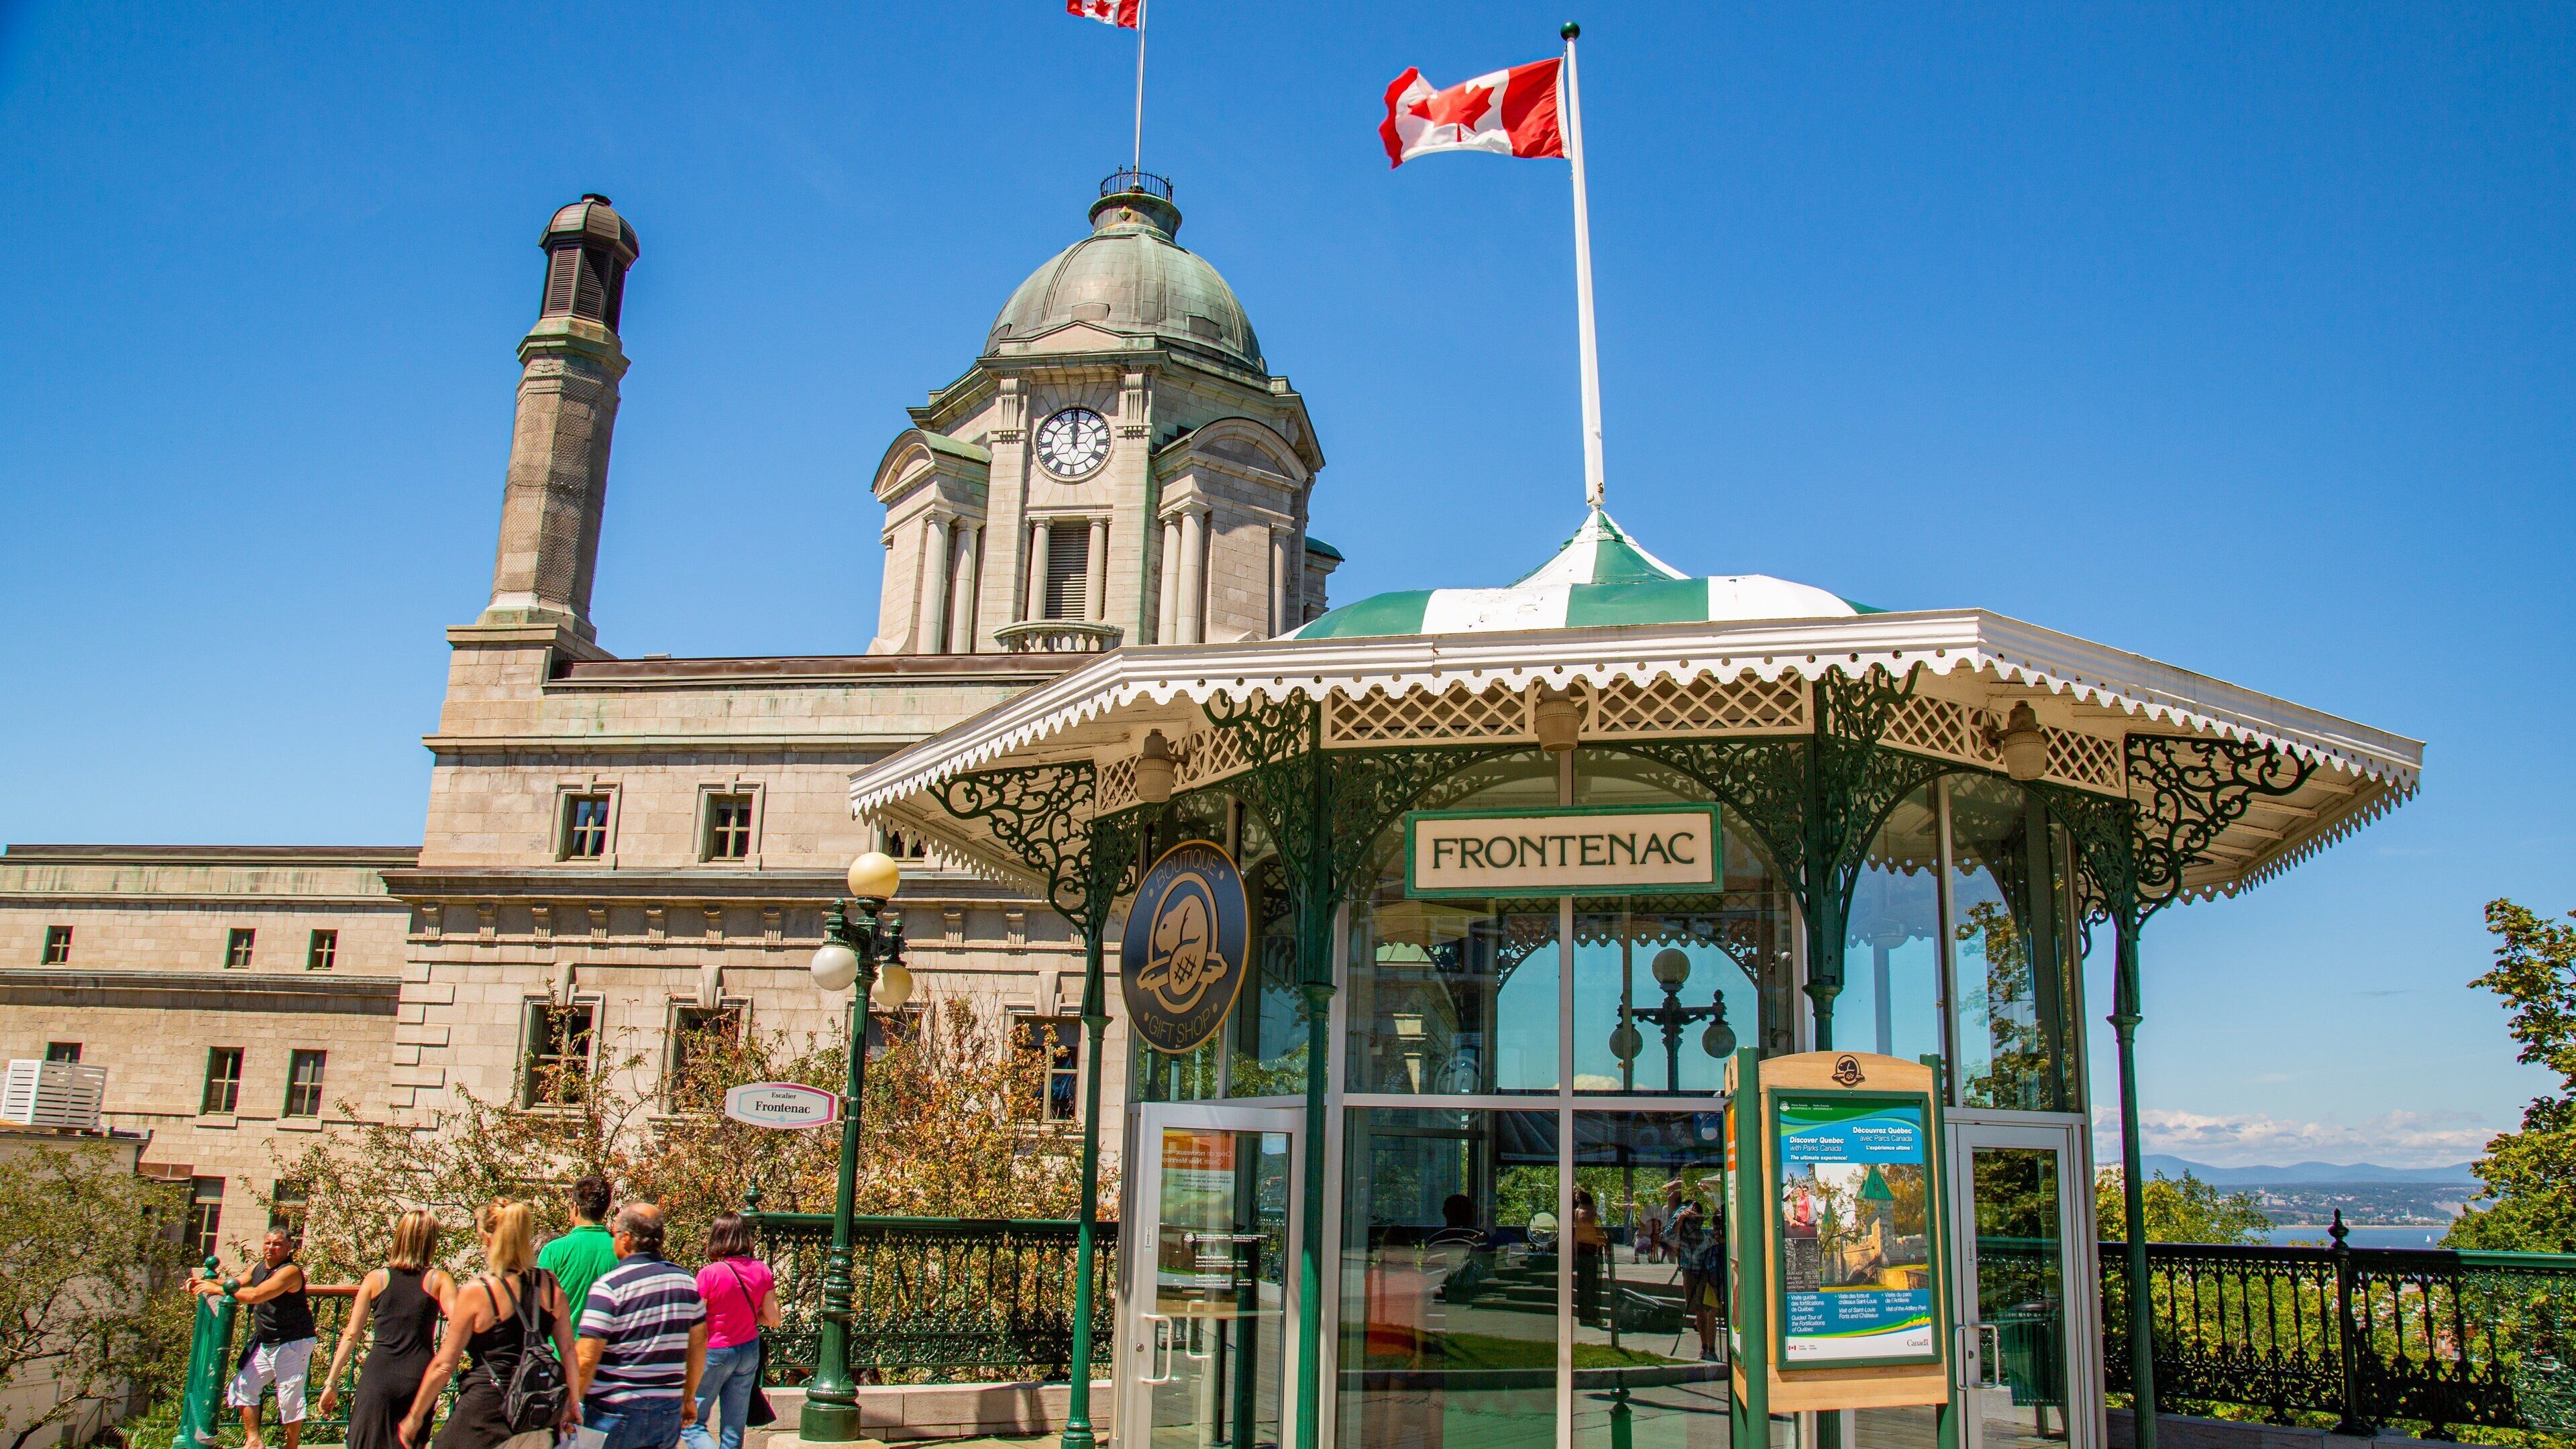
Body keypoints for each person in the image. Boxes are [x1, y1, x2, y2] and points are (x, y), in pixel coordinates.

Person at [399, 1200, 578, 1449]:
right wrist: (573, 1402)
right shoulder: (548, 1284)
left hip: (485, 1413)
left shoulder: (479, 1292)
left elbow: (444, 1365)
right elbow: (568, 1350)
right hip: (535, 1414)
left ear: (486, 1237)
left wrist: (415, 1417)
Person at [573, 1202, 707, 1449]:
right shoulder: (686, 1282)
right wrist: (689, 1397)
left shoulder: (610, 1287)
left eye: (613, 1234)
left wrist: (570, 1403)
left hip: (614, 1410)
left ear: (626, 1238)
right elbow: (699, 1343)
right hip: (667, 1408)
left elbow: (587, 1357)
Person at [318, 1212, 455, 1449]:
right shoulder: (439, 1280)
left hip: (378, 1374)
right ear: (431, 1242)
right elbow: (459, 1321)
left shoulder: (375, 1279)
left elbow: (352, 1333)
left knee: (367, 1441)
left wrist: (332, 1382)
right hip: (419, 1374)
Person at [194, 1229, 318, 1449]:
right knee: (243, 1385)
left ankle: (292, 1446)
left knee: (289, 1397)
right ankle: (254, 1440)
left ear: (290, 1247)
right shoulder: (259, 1268)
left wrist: (214, 1288)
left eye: (278, 1244)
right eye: (268, 1243)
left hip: (293, 1343)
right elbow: (235, 1284)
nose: (271, 1247)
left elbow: (256, 1295)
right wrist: (201, 1282)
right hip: (267, 1341)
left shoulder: (289, 1272)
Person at [682, 1213, 779, 1449]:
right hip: (748, 1351)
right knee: (734, 1428)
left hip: (714, 1352)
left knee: (692, 1423)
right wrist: (752, 1314)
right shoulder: (761, 1270)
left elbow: (695, 1320)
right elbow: (774, 1319)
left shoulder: (709, 1274)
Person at [539, 1175, 621, 1329]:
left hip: (558, 1349)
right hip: (604, 1349)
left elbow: (538, 1307)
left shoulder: (553, 1250)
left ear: (575, 1208)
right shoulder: (622, 1251)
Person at [1571, 1187, 1609, 1328]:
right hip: (1593, 1250)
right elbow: (1599, 1233)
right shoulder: (1594, 1213)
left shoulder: (1577, 1213)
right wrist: (1604, 1240)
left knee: (1582, 1285)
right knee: (1593, 1286)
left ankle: (1584, 1317)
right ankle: (1594, 1316)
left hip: (1581, 1250)